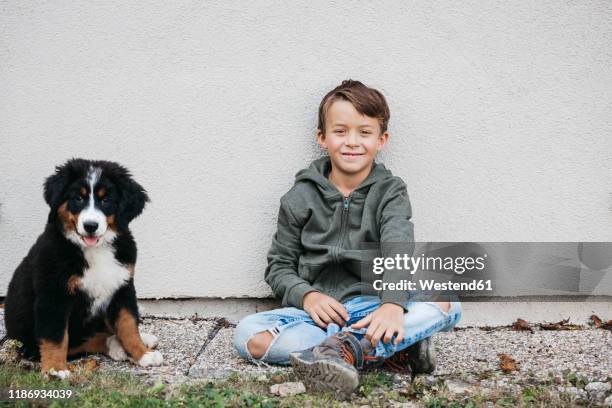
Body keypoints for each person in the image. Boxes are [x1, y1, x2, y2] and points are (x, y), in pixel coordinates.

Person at [233, 80, 461, 396]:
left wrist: (393, 305)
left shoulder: (390, 192)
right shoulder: (299, 197)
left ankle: (347, 349)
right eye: (340, 131)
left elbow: (399, 249)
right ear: (322, 138)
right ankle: (391, 349)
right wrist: (307, 295)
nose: (351, 142)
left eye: (364, 132)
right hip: (316, 317)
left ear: (382, 140)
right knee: (248, 335)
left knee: (446, 299)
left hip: (375, 307)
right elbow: (278, 267)